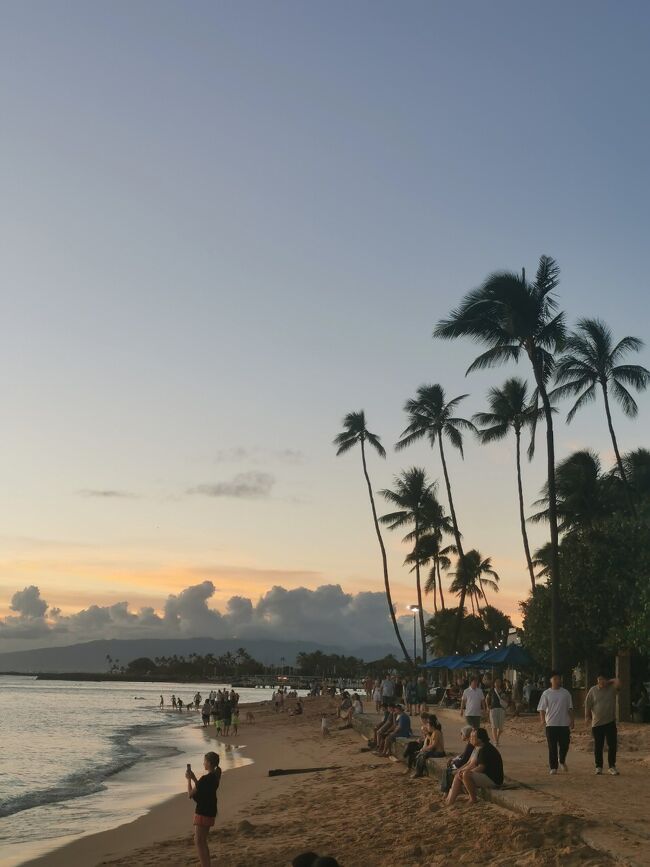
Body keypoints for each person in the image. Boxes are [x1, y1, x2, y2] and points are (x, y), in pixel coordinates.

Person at [445, 727, 503, 805]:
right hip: (485, 775)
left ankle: (473, 798)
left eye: (472, 737)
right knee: (459, 774)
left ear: (480, 739)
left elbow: (481, 768)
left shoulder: (485, 749)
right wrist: (460, 771)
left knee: (465, 775)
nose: (470, 739)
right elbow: (470, 763)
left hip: (493, 779)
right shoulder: (477, 747)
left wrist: (466, 774)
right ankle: (450, 800)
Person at [186, 751, 221, 867]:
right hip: (210, 810)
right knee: (202, 841)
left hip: (203, 811)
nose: (203, 763)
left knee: (199, 841)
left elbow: (191, 794)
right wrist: (194, 778)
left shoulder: (205, 779)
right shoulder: (215, 776)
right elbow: (202, 788)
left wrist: (189, 780)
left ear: (210, 763)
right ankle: (207, 864)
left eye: (205, 761)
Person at [537, 671, 574, 774]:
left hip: (564, 724)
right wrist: (542, 720)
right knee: (552, 747)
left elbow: (570, 708)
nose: (557, 680)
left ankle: (561, 760)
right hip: (551, 724)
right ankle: (553, 767)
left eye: (559, 678)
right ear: (551, 680)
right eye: (555, 679)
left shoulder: (566, 693)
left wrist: (572, 720)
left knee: (565, 745)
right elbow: (542, 709)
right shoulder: (546, 693)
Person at [585, 674, 620, 775]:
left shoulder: (611, 689)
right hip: (597, 723)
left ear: (606, 680)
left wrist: (610, 681)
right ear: (597, 680)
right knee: (598, 746)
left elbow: (618, 683)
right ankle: (598, 766)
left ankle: (612, 766)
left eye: (603, 679)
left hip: (610, 722)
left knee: (612, 745)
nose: (601, 681)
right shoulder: (593, 690)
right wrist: (587, 717)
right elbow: (588, 704)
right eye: (599, 679)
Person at [486, 677, 507, 746]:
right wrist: (487, 706)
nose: (498, 683)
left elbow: (506, 700)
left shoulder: (503, 691)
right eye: (496, 682)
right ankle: (495, 741)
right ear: (494, 683)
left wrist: (504, 698)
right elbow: (487, 698)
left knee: (500, 728)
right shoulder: (491, 691)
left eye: (499, 682)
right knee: (494, 726)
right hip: (493, 709)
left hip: (501, 709)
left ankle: (497, 738)